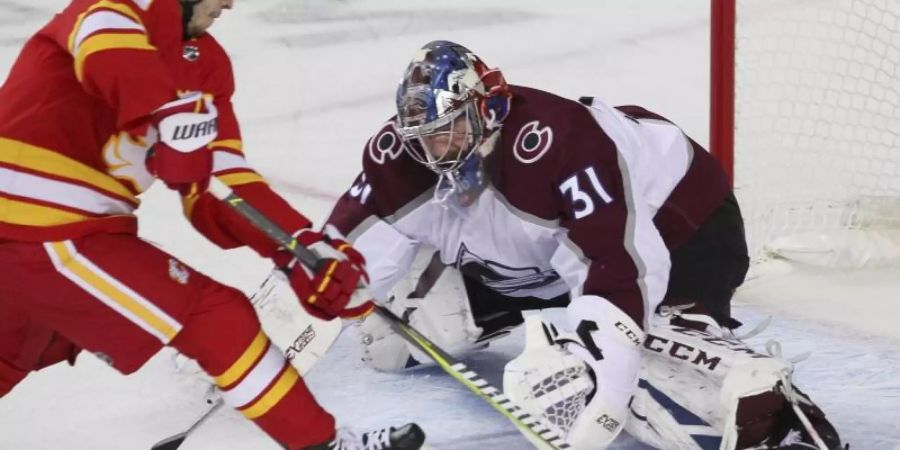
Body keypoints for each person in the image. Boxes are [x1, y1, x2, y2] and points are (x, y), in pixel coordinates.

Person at [323, 40, 844, 449]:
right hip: (541, 259)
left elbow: (619, 265)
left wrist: (608, 386)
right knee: (393, 338)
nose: (436, 152)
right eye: (424, 137)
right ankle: (543, 320)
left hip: (679, 225)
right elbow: (337, 253)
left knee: (627, 373)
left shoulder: (563, 142)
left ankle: (777, 417)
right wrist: (303, 309)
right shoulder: (401, 156)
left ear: (487, 107)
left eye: (450, 131)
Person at [0, 1, 426, 449]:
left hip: (46, 234)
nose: (230, 3)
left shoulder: (206, 66)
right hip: (40, 227)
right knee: (217, 319)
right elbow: (106, 40)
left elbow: (222, 184)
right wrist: (160, 111)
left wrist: (297, 248)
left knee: (9, 357)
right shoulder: (118, 11)